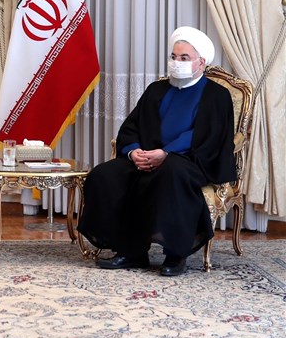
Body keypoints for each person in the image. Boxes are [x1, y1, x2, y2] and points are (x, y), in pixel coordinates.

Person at [77, 26, 235, 277]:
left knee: (171, 172)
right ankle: (131, 252)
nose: (176, 62)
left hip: (190, 160)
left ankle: (175, 254)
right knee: (104, 175)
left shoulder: (217, 95)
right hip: (147, 157)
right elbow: (131, 126)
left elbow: (207, 137)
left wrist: (166, 153)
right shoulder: (157, 89)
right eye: (173, 56)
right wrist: (134, 152)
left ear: (201, 63)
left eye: (184, 58)